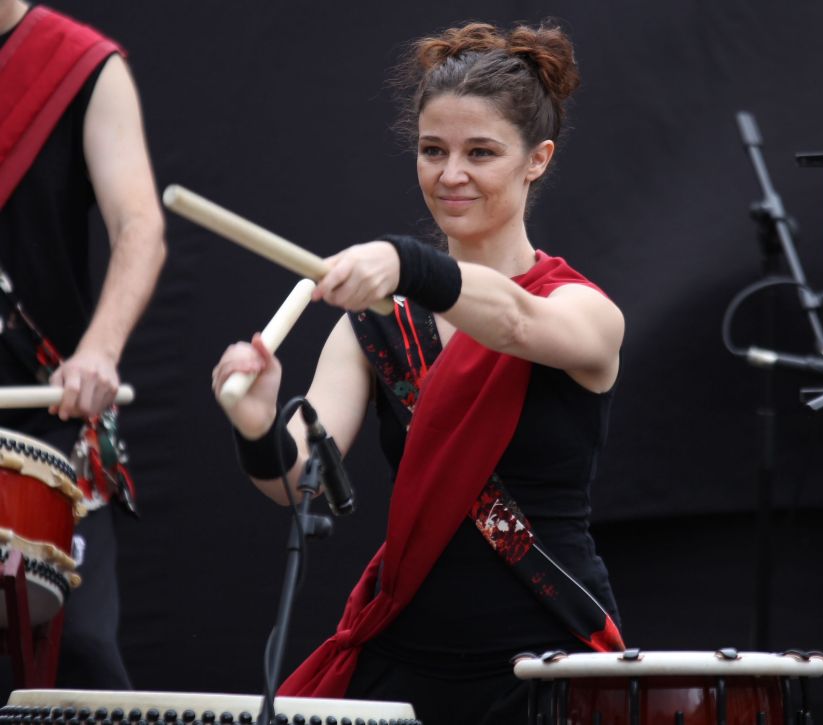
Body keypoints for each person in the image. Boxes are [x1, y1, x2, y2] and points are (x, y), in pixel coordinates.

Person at [212, 20, 624, 724]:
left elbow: (514, 322)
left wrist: (407, 262)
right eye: (433, 150)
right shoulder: (375, 326)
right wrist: (256, 426)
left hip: (545, 657)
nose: (450, 174)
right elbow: (296, 477)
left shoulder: (581, 310)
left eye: (480, 152)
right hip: (406, 656)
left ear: (537, 160)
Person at [0, 0, 166, 691]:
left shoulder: (78, 66)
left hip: (46, 429)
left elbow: (139, 227)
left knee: (80, 658)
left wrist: (98, 350)